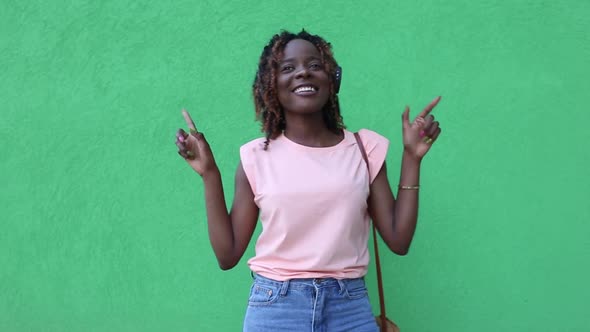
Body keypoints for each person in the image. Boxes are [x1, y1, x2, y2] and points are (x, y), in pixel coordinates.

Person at [175, 30, 442, 332]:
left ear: (333, 79)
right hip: (276, 309)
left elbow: (399, 239)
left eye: (314, 65)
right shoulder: (256, 156)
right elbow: (228, 254)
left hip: (349, 309)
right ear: (271, 85)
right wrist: (209, 174)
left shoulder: (365, 150)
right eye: (287, 68)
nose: (303, 71)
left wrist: (412, 158)